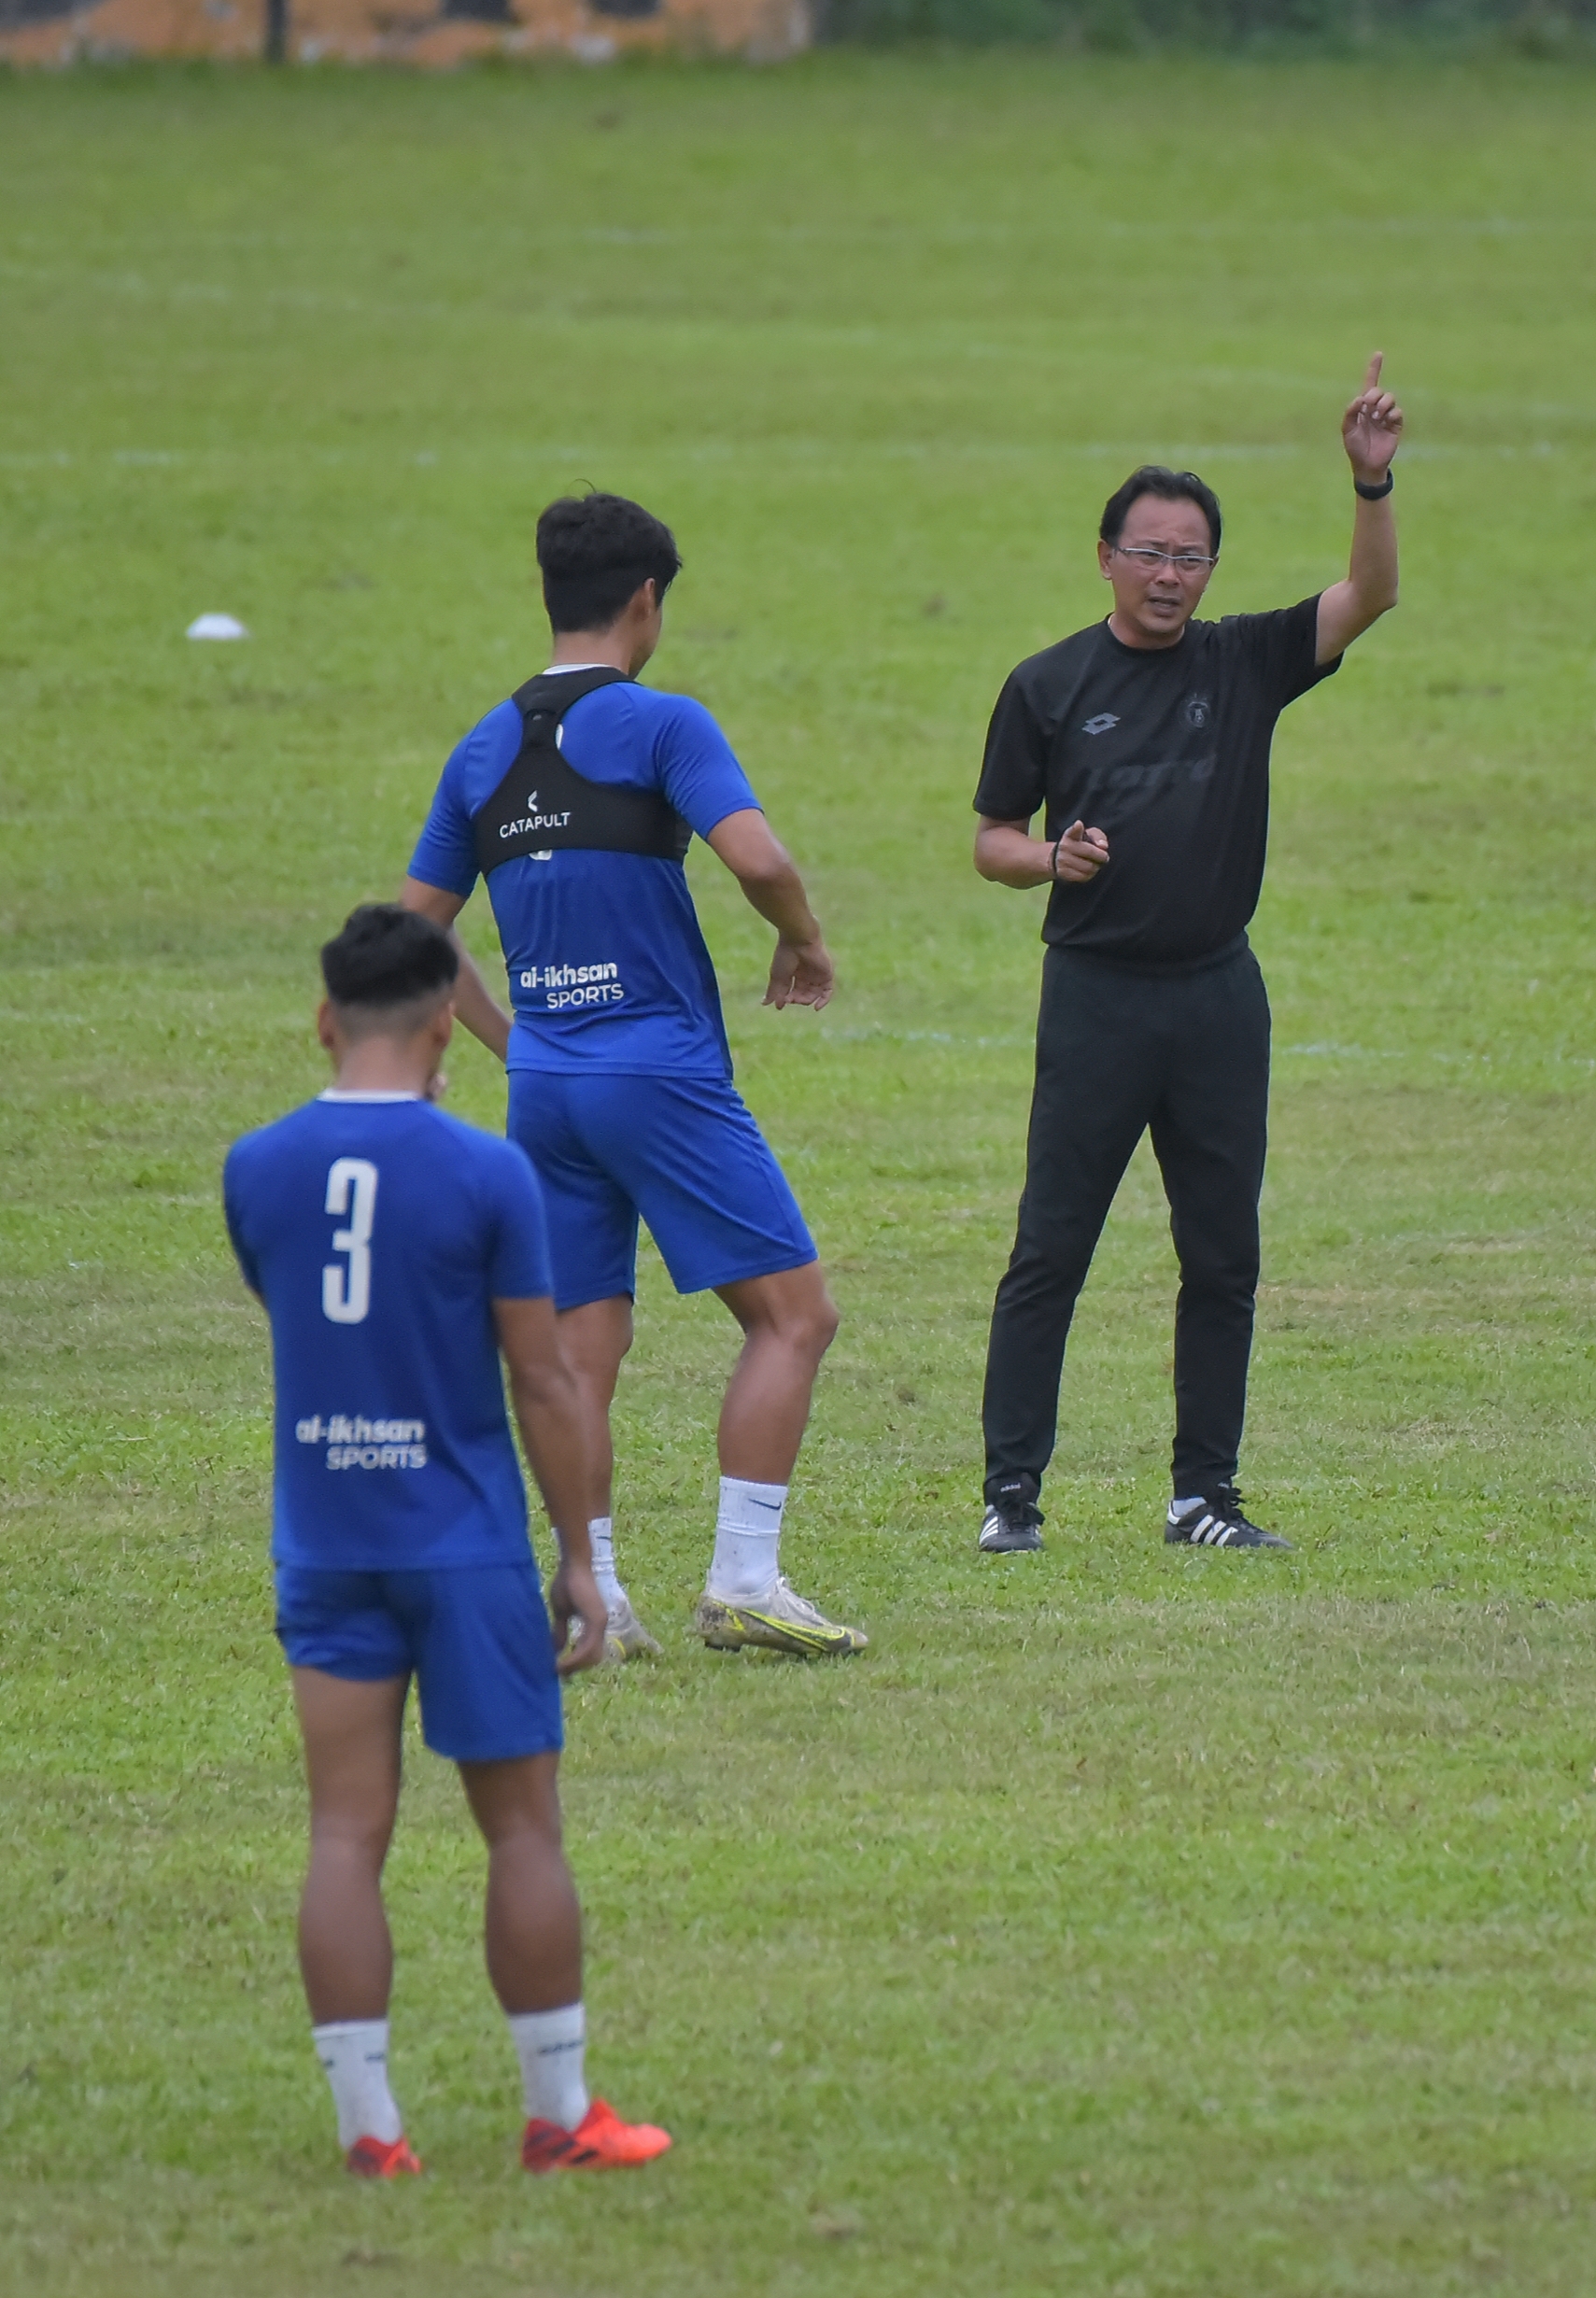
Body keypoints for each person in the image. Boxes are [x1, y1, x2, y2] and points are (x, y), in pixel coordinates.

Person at [222, 904, 671, 2178]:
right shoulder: (486, 1172)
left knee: (342, 1834)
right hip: (463, 1545)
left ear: (325, 1021)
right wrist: (578, 1555)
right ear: (442, 1030)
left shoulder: (255, 1168)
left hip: (325, 1544)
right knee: (521, 1831)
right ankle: (559, 2115)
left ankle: (370, 2131)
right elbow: (544, 1380)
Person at [401, 491, 865, 1661]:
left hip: (546, 1093)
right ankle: (743, 1580)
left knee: (576, 1356)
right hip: (657, 1073)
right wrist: (802, 939)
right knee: (792, 1316)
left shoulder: (481, 748)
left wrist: (517, 1040)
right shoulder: (661, 724)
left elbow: (411, 935)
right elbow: (758, 856)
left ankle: (592, 1598)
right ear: (645, 601)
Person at [972, 355, 1404, 1557]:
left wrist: (1369, 482)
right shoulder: (1046, 684)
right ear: (1104, 556)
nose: (1169, 575)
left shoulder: (1242, 659)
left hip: (1217, 996)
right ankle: (1010, 1497)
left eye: (1190, 557)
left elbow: (1368, 596)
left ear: (1209, 569)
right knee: (1049, 1249)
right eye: (1149, 552)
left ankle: (1201, 1497)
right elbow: (991, 839)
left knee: (1221, 1255)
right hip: (1095, 999)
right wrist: (1048, 859)